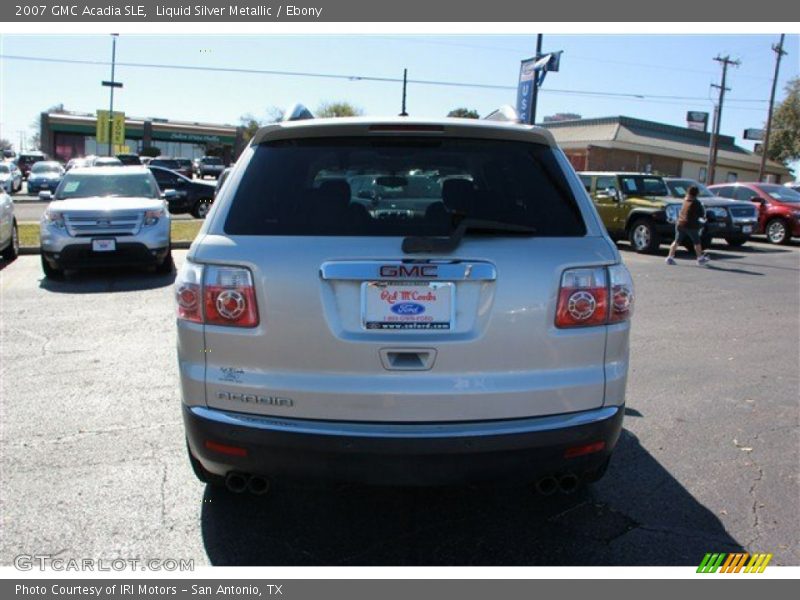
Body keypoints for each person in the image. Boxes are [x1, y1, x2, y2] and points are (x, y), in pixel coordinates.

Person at [666, 185, 709, 266]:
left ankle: (670, 257)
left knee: (676, 241)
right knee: (697, 242)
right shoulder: (696, 202)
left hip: (680, 223)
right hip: (690, 225)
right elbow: (701, 214)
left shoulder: (685, 200)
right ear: (697, 193)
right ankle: (700, 258)